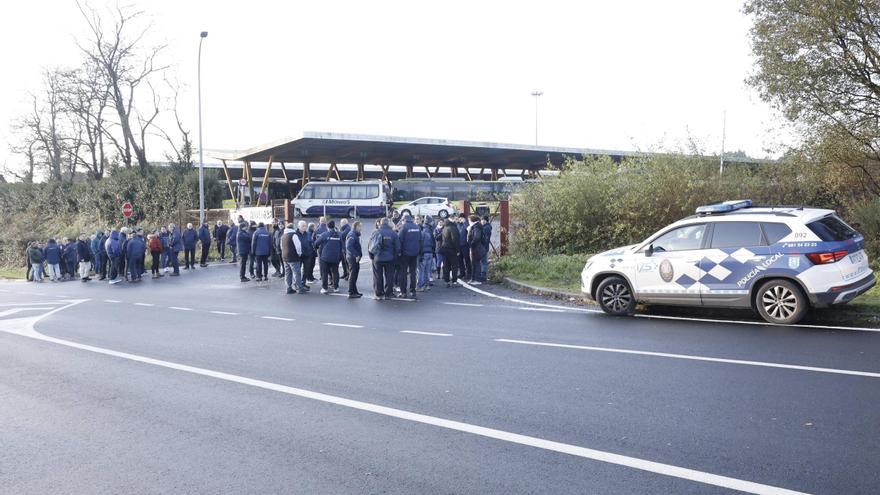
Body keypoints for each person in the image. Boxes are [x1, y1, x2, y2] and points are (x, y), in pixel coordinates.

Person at [372, 217, 399, 300]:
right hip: (390, 258)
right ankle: (389, 293)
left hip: (377, 258)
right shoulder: (393, 233)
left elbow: (370, 246)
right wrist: (394, 257)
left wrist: (372, 257)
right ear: (388, 223)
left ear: (381, 223)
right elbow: (398, 248)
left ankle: (378, 293)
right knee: (389, 276)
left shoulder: (376, 232)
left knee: (377, 276)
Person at [315, 220, 343, 294]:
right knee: (335, 272)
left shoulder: (325, 234)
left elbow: (316, 243)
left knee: (324, 273)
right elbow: (342, 246)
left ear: (327, 226)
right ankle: (336, 287)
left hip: (325, 257)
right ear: (334, 226)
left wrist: (318, 248)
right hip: (335, 257)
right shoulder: (339, 234)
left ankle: (324, 288)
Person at [397, 214, 421, 298]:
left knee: (403, 272)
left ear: (404, 220)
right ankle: (412, 290)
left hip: (405, 254)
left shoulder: (403, 227)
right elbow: (420, 240)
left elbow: (399, 240)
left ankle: (403, 292)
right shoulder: (417, 227)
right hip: (414, 253)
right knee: (413, 272)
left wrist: (399, 252)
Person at [281, 221, 307, 294]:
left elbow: (281, 246)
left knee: (288, 273)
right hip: (293, 257)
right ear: (293, 228)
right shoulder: (294, 235)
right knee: (296, 273)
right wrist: (299, 254)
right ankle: (300, 288)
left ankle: (288, 288)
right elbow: (298, 246)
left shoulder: (283, 236)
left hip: (284, 256)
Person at [440, 215, 461, 287]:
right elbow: (455, 240)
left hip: (444, 249)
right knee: (454, 266)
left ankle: (447, 281)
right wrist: (458, 250)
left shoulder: (445, 227)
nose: (456, 220)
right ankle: (454, 281)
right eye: (455, 219)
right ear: (452, 219)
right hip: (452, 250)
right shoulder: (453, 227)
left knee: (446, 266)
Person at [417, 217, 435, 292]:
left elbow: (420, 243)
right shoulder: (430, 231)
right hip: (430, 252)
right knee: (427, 270)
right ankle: (427, 285)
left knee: (421, 270)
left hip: (423, 253)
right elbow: (433, 243)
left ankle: (420, 286)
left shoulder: (422, 231)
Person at [345, 221, 363, 298]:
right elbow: (349, 246)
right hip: (352, 258)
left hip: (353, 257)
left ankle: (354, 291)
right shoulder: (352, 235)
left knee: (354, 275)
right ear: (356, 227)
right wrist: (356, 255)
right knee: (353, 275)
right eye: (360, 227)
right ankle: (351, 292)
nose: (361, 229)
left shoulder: (354, 234)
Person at [467, 214, 485, 285]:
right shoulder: (475, 226)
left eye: (469, 220)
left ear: (472, 220)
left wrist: (471, 243)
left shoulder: (476, 227)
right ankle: (473, 278)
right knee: (474, 264)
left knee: (476, 263)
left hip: (476, 248)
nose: (468, 222)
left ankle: (477, 279)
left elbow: (476, 237)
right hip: (474, 247)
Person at [457, 216, 471, 281]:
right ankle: (462, 273)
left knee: (467, 259)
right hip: (459, 245)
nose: (459, 220)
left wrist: (465, 222)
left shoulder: (466, 224)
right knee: (460, 260)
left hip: (465, 245)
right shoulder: (457, 225)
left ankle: (469, 273)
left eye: (461, 218)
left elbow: (468, 229)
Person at [480, 215, 492, 283]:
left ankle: (483, 275)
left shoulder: (486, 228)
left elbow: (485, 239)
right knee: (483, 261)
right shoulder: (486, 227)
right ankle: (483, 274)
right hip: (484, 247)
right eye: (482, 220)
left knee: (483, 261)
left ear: (486, 221)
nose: (482, 221)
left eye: (484, 220)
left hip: (483, 247)